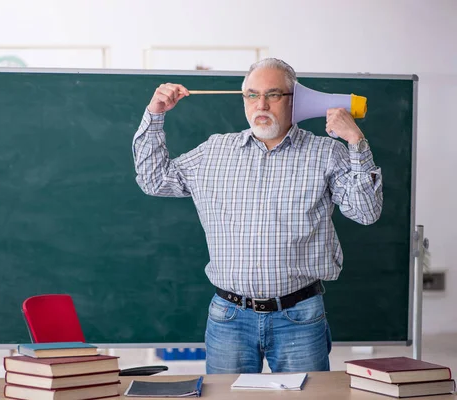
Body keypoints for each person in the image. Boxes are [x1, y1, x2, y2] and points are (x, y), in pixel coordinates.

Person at [132, 58, 383, 374]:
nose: (261, 104)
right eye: (252, 95)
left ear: (295, 99)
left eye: (273, 95)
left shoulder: (326, 153)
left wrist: (356, 144)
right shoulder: (214, 151)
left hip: (300, 316)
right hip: (229, 317)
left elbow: (366, 212)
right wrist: (155, 114)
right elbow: (154, 179)